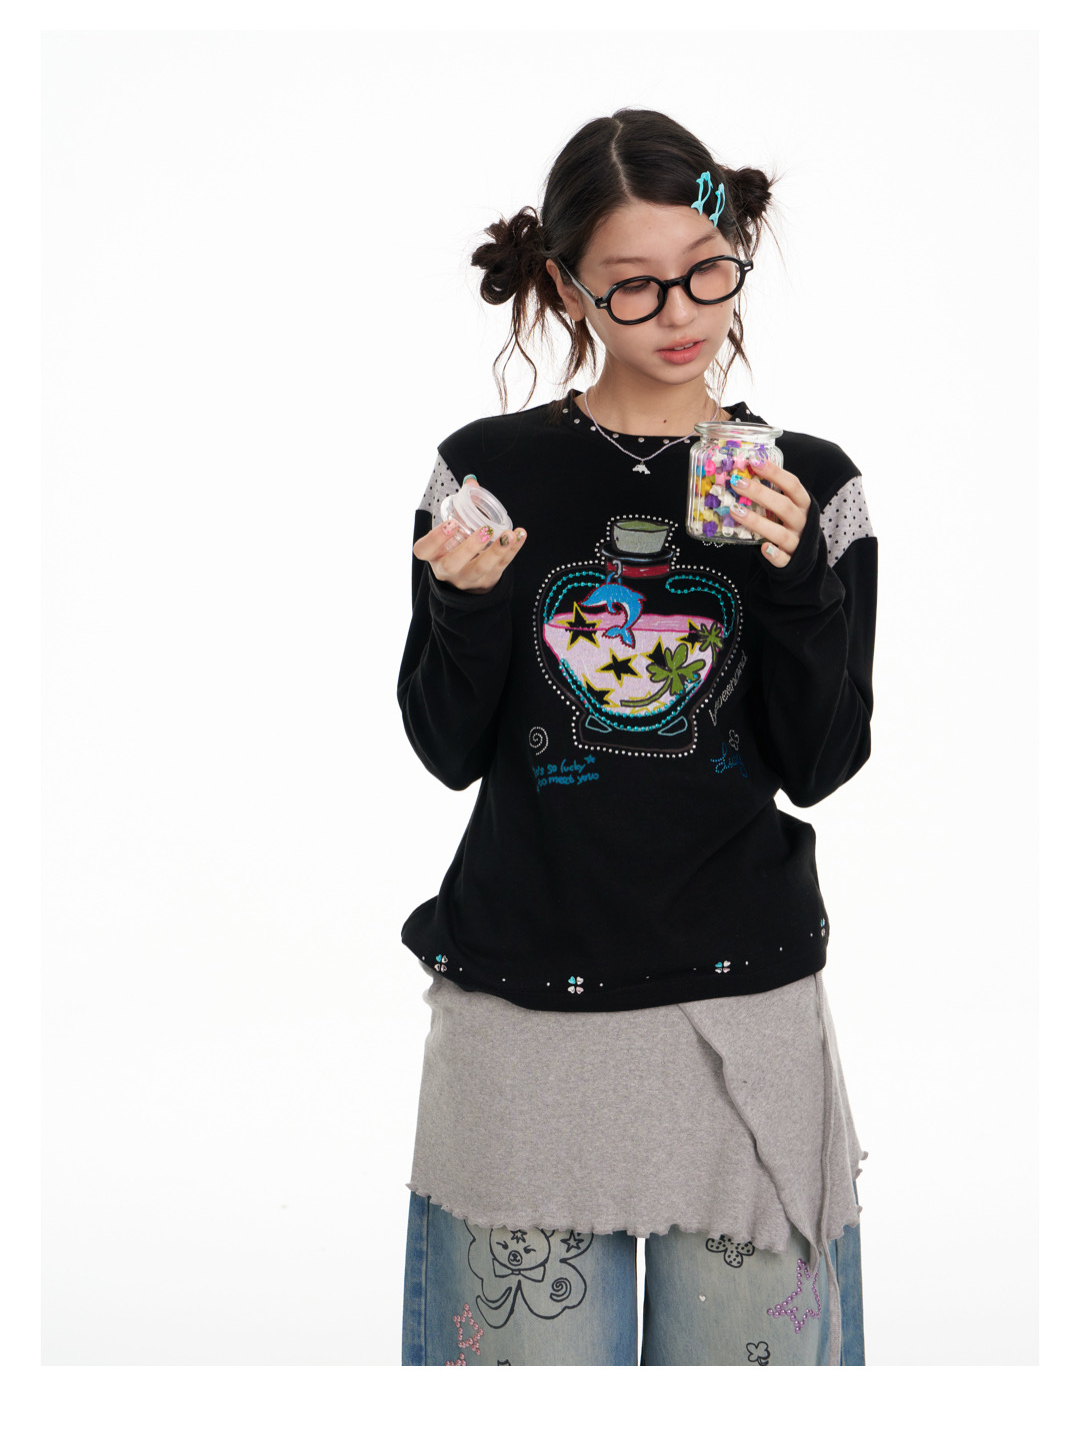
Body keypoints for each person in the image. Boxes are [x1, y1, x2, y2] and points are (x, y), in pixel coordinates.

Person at [396, 108, 877, 1367]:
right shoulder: (486, 474)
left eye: (708, 272)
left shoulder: (810, 482)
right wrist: (468, 607)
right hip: (524, 1006)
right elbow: (445, 747)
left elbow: (822, 763)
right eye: (634, 284)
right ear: (568, 287)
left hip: (743, 1011)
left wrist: (792, 579)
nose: (681, 312)